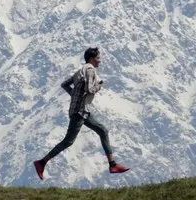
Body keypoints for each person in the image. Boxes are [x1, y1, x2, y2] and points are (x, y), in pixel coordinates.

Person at [33, 46, 130, 179]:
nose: (99, 61)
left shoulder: (79, 71)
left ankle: (112, 164)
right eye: (98, 58)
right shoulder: (90, 70)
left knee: (103, 130)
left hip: (83, 111)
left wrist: (75, 95)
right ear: (91, 58)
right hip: (80, 112)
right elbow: (90, 89)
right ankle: (41, 162)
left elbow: (64, 84)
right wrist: (99, 86)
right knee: (68, 141)